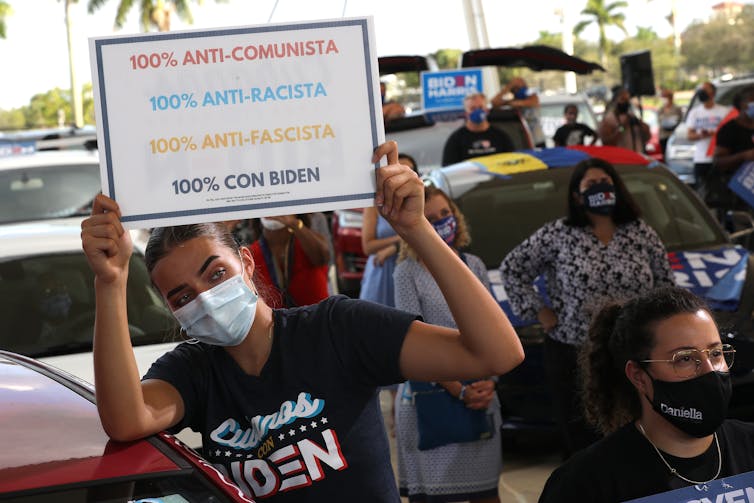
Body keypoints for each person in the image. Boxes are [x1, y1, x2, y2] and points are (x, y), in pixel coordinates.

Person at [79, 141, 525, 502]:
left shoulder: (337, 329)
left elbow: (496, 352)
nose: (207, 299)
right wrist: (111, 282)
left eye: (216, 274)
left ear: (247, 265)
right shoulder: (194, 371)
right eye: (182, 296)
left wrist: (416, 230)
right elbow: (126, 420)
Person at [500, 157, 674, 460]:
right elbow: (512, 268)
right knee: (585, 446)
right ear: (577, 196)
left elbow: (664, 283)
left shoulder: (640, 232)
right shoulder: (558, 234)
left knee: (638, 440)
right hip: (574, 353)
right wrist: (541, 312)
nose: (601, 188)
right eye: (591, 184)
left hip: (632, 353)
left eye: (606, 182)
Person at [539, 287, 754, 502]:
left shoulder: (748, 446)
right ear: (639, 376)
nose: (710, 370)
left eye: (716, 354)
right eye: (684, 359)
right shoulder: (586, 483)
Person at [394, 186, 502, 503]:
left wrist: (486, 384)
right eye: (431, 218)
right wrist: (460, 389)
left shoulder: (475, 265)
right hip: (430, 399)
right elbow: (411, 343)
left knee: (486, 493)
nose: (442, 222)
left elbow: (496, 333)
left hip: (480, 395)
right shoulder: (407, 273)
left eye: (445, 214)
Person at [359, 153, 418, 307]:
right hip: (382, 272)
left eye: (409, 171)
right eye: (399, 170)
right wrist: (398, 241)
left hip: (413, 269)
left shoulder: (419, 203)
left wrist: (394, 247)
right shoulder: (375, 204)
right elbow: (368, 246)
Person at [248, 214, 330, 308]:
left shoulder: (307, 241)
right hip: (276, 321)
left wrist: (295, 224)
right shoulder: (251, 253)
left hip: (317, 318)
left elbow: (322, 259)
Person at [712, 85, 754, 222]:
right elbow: (718, 162)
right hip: (738, 196)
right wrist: (743, 156)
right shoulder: (729, 129)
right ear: (742, 104)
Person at [686, 82, 730, 204]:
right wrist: (701, 135)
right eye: (700, 89)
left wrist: (715, 134)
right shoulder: (694, 113)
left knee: (721, 193)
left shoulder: (724, 112)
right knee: (702, 195)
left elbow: (729, 135)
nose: (702, 91)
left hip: (719, 159)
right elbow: (689, 135)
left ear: (713, 93)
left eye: (705, 89)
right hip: (701, 159)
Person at [441, 93, 514, 166]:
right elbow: (448, 169)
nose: (477, 111)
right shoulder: (456, 139)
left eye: (480, 107)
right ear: (466, 113)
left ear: (487, 111)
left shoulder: (501, 136)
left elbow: (513, 164)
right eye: (473, 109)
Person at [491, 77, 546, 148]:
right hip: (522, 141)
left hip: (538, 140)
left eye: (522, 86)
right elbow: (494, 102)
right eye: (516, 88)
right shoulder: (512, 101)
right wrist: (508, 87)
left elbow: (522, 103)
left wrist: (511, 102)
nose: (520, 89)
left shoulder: (533, 98)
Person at [598, 86, 651, 153]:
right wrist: (622, 128)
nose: (626, 102)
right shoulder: (608, 119)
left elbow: (647, 137)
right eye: (623, 99)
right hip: (620, 159)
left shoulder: (632, 117)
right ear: (615, 100)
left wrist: (643, 127)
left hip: (637, 157)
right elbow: (606, 142)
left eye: (628, 99)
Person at [658, 88, 683, 157]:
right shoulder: (661, 109)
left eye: (665, 97)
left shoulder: (677, 108)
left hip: (673, 136)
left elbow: (679, 121)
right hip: (663, 136)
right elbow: (660, 121)